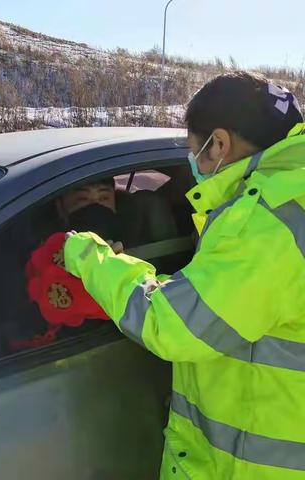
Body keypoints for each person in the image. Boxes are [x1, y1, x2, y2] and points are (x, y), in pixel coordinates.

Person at [64, 71, 305, 479]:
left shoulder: (263, 221)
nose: (193, 164)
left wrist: (88, 256)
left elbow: (172, 324)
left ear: (220, 144)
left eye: (195, 151)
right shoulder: (290, 197)